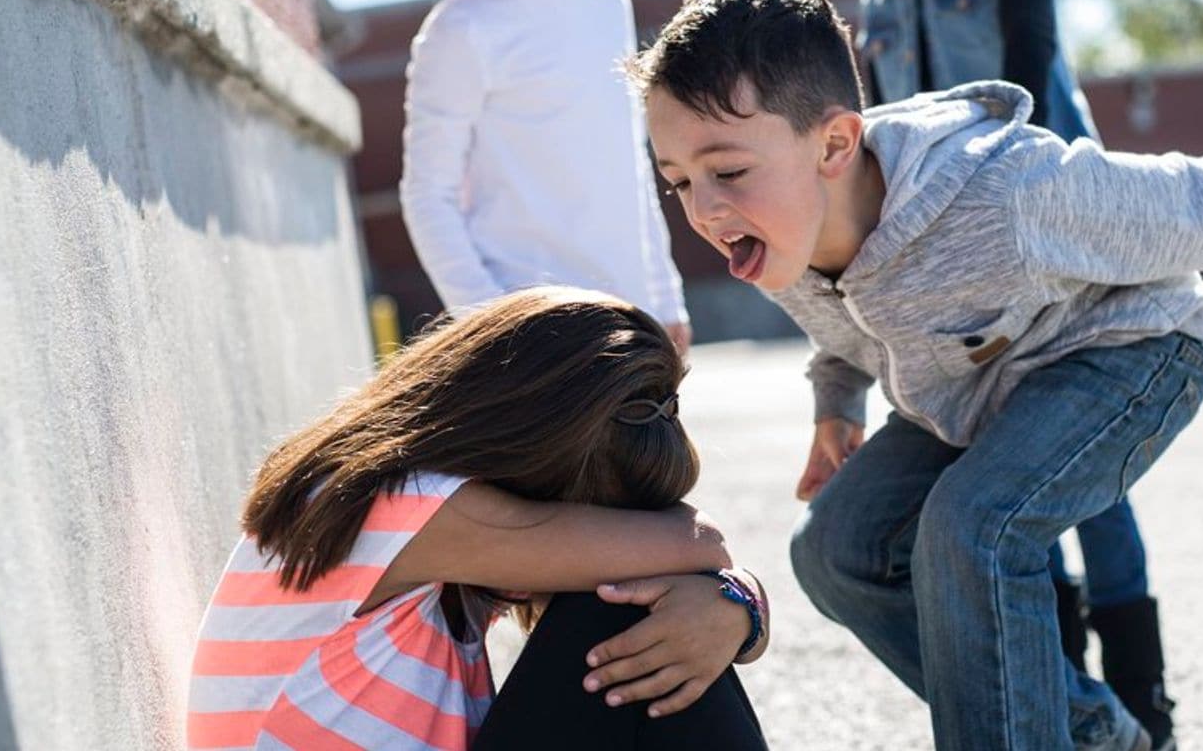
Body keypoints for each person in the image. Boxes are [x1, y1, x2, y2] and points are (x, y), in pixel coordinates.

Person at [629, 0, 1203, 751]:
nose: (704, 208)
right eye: (678, 182)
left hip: (1128, 355)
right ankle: (1083, 730)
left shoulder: (1006, 193)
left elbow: (1194, 198)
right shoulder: (780, 231)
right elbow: (842, 328)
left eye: (727, 169)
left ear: (835, 143)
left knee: (971, 529)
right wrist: (835, 403)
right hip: (976, 388)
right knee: (835, 549)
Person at [855, 0, 1164, 740]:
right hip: (952, 271)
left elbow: (1031, 73)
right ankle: (1072, 700)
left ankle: (1143, 705)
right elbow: (879, 134)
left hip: (1057, 241)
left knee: (1089, 479)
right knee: (1010, 477)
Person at [186, 287, 770, 750]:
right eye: (588, 517)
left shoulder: (420, 521)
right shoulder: (400, 502)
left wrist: (733, 609)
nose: (598, 539)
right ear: (531, 453)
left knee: (649, 613)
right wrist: (733, 597)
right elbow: (701, 544)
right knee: (618, 607)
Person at [401, 0, 690, 352]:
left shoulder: (607, 4)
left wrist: (665, 297)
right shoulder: (460, 30)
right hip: (533, 338)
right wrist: (492, 324)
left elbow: (632, 167)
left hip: (632, 320)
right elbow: (426, 195)